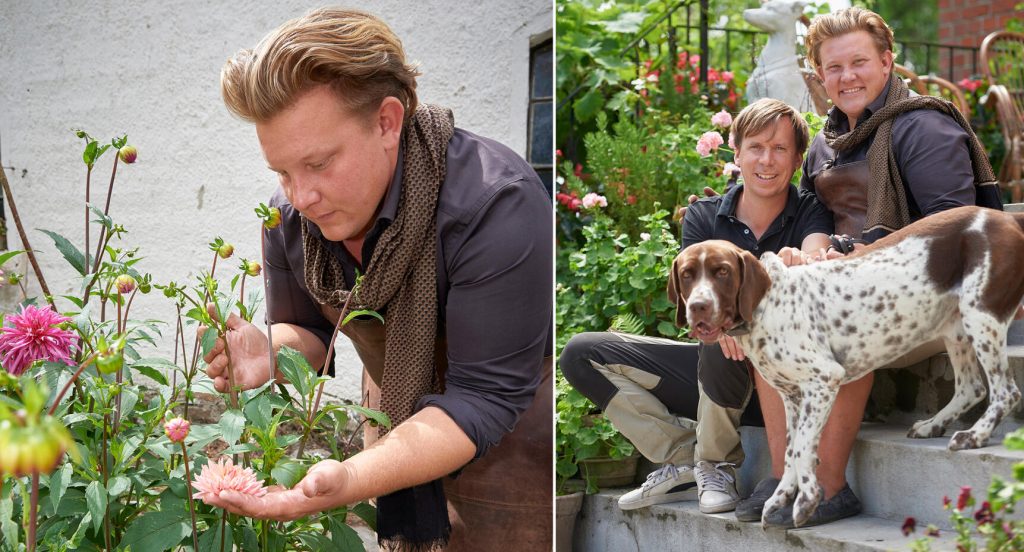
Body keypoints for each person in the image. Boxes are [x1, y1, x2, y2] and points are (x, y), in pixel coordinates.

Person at [199, 8, 552, 551]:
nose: (301, 196)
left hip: (511, 421)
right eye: (283, 172)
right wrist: (270, 350)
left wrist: (353, 477)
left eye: (318, 163)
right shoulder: (291, 217)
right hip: (393, 408)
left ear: (387, 122)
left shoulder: (494, 204)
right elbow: (309, 331)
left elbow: (482, 398)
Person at [736, 6, 1003, 528]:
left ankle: (831, 486)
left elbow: (953, 232)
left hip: (930, 295)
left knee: (837, 332)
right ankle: (782, 475)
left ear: (886, 62)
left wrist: (867, 257)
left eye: (859, 62)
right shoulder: (825, 142)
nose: (847, 77)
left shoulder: (923, 126)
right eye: (833, 68)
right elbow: (809, 216)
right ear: (818, 75)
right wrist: (807, 255)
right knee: (766, 325)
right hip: (842, 278)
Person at [560, 98, 832, 517]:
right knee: (583, 354)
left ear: (798, 159)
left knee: (724, 330)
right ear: (735, 152)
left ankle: (716, 463)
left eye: (780, 149)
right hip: (716, 372)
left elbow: (816, 260)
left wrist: (803, 260)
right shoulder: (705, 217)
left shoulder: (810, 211)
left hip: (781, 379)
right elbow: (698, 300)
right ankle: (688, 460)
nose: (767, 159)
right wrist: (729, 326)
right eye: (756, 146)